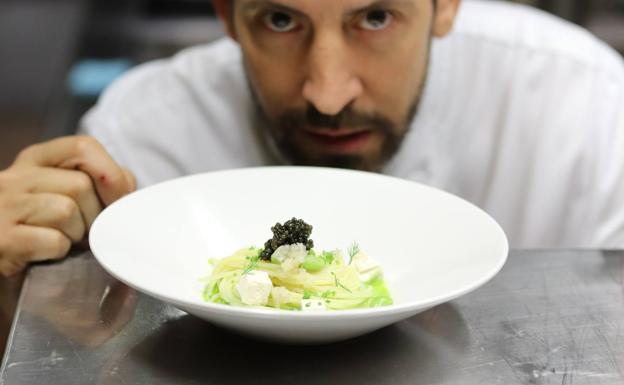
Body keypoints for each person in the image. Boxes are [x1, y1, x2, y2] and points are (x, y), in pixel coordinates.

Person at [0, 0, 623, 276]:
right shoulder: (142, 134)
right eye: (280, 20)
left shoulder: (587, 108)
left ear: (446, 5)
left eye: (376, 18)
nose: (328, 94)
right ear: (226, 15)